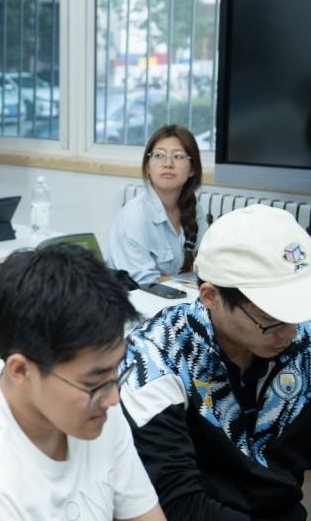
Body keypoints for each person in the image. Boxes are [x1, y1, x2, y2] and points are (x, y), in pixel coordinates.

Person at [0, 245, 163, 521]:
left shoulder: (98, 407)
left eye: (117, 370)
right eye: (94, 381)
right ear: (21, 371)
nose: (114, 398)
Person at [121, 205, 311, 520]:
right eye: (272, 320)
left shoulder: (301, 337)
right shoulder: (155, 360)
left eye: (299, 311)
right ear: (211, 296)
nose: (291, 333)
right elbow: (177, 503)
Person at [106, 124, 202, 285]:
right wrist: (191, 283)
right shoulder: (134, 217)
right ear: (147, 167)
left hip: (179, 295)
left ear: (192, 169)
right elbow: (144, 283)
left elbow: (205, 263)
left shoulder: (195, 208)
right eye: (159, 155)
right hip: (136, 297)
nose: (168, 164)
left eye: (178, 156)